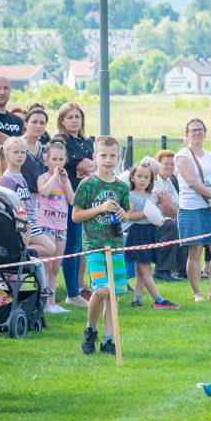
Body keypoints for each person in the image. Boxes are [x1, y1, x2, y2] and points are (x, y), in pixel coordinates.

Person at [72, 136, 130, 354]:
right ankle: (90, 329)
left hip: (115, 245)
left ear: (118, 157)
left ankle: (108, 339)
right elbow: (76, 216)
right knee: (101, 290)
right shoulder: (87, 185)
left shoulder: (121, 187)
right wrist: (100, 208)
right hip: (95, 246)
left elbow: (126, 213)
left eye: (112, 155)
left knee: (113, 294)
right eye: (103, 155)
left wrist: (124, 214)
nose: (108, 160)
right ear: (95, 157)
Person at [175, 119, 211, 303]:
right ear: (186, 134)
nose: (196, 133)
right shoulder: (182, 156)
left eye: (200, 130)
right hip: (191, 209)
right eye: (193, 130)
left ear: (205, 132)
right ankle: (197, 293)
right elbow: (191, 182)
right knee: (195, 251)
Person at [125, 162, 179, 309]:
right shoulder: (130, 195)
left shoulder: (153, 196)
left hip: (151, 232)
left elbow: (156, 214)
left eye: (146, 177)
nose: (142, 180)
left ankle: (137, 298)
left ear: (151, 180)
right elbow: (129, 216)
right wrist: (145, 213)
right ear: (132, 178)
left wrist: (161, 218)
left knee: (141, 269)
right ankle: (159, 300)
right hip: (138, 233)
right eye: (139, 176)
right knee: (145, 268)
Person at [57, 102, 95, 308]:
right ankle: (71, 293)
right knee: (71, 245)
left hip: (85, 197)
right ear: (62, 120)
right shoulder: (61, 141)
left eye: (77, 117)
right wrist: (86, 166)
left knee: (81, 246)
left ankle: (79, 288)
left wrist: (88, 166)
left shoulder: (86, 141)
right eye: (69, 117)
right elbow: (84, 165)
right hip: (67, 198)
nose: (74, 120)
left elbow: (94, 165)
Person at [0, 137, 55, 259]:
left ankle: (19, 251)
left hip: (30, 221)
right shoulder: (8, 178)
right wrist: (22, 225)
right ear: (7, 154)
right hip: (21, 223)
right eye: (16, 152)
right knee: (50, 248)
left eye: (23, 152)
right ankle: (16, 250)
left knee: (50, 249)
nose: (20, 156)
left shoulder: (20, 175)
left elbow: (25, 202)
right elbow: (8, 205)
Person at [38, 140, 75, 313]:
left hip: (62, 226)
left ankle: (52, 302)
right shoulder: (43, 177)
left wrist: (65, 180)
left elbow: (72, 199)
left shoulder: (64, 180)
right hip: (46, 225)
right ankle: (44, 302)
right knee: (46, 265)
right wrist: (54, 175)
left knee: (55, 267)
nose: (58, 163)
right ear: (47, 160)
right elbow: (44, 192)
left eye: (61, 159)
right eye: (54, 159)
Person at [152, 150, 185, 281]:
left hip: (174, 216)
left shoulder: (169, 181)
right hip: (157, 222)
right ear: (158, 165)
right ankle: (162, 271)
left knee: (184, 224)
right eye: (166, 164)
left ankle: (183, 269)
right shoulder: (157, 182)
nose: (170, 167)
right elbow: (168, 209)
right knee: (173, 224)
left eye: (172, 164)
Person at [0, 75, 24, 145]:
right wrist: (20, 144)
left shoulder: (18, 121)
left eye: (6, 88)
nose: (2, 92)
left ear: (10, 90)